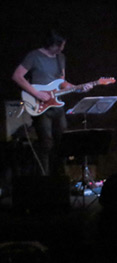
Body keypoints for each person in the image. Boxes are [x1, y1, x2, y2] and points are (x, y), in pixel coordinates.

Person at [12, 29, 93, 176]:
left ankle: (61, 177)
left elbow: (62, 82)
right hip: (39, 104)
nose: (62, 48)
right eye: (60, 45)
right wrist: (36, 93)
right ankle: (45, 177)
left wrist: (78, 89)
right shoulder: (34, 56)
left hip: (56, 104)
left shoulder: (60, 58)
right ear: (51, 44)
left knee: (62, 141)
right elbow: (17, 76)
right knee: (46, 142)